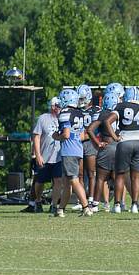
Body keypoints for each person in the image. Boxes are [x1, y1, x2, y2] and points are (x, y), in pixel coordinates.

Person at [104, 85, 139, 213]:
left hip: (125, 141)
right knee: (136, 177)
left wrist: (114, 136)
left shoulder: (121, 107)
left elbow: (107, 121)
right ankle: (134, 205)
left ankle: (117, 205)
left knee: (120, 175)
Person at [53, 88, 93, 217]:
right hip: (78, 149)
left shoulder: (65, 112)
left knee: (74, 180)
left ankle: (86, 207)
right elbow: (82, 136)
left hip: (69, 150)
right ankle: (60, 210)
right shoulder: (79, 113)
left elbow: (66, 134)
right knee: (67, 183)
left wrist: (56, 137)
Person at [24, 96, 62, 215]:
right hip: (44, 155)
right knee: (40, 181)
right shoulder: (43, 118)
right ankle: (38, 201)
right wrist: (38, 155)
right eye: (56, 106)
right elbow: (36, 137)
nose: (58, 108)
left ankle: (54, 204)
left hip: (59, 156)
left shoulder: (64, 118)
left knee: (57, 181)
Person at [88, 86, 122, 210]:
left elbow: (90, 129)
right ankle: (118, 204)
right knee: (118, 177)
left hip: (107, 147)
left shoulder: (103, 114)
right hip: (119, 147)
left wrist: (97, 143)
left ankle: (95, 204)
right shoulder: (121, 114)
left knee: (101, 177)